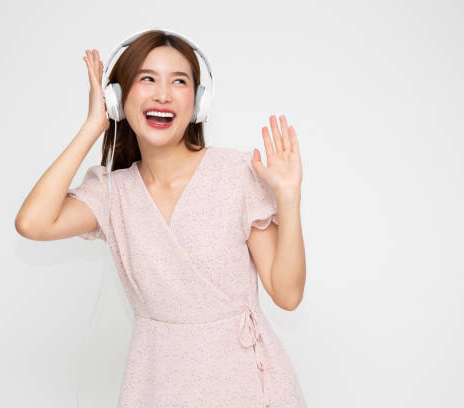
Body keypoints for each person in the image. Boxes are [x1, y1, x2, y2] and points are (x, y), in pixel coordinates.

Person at [15, 30, 307, 407]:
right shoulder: (112, 194)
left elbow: (287, 294)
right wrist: (93, 126)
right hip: (156, 384)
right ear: (118, 99)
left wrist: (288, 197)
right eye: (147, 78)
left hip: (246, 385)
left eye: (179, 82)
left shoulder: (237, 174)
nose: (163, 94)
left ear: (199, 102)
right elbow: (32, 224)